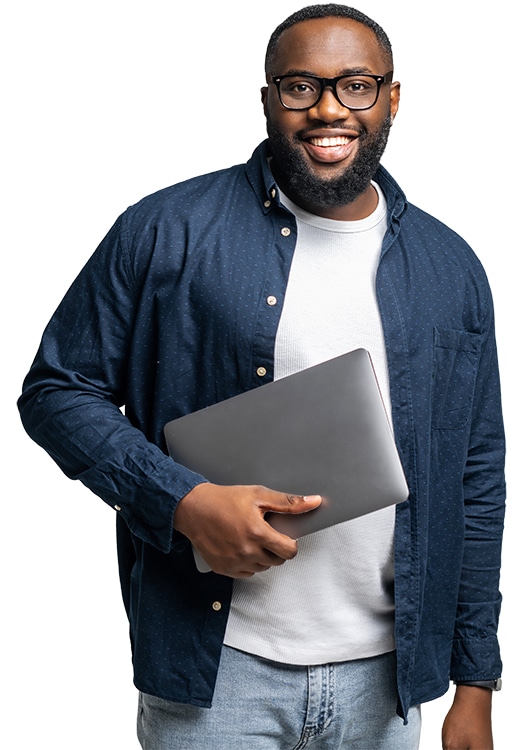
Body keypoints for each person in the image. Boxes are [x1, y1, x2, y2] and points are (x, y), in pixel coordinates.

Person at [18, 4, 505, 749]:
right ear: (268, 100)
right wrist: (182, 501)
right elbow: (57, 389)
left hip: (388, 684)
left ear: (392, 99)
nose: (328, 110)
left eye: (357, 86)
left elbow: (475, 475)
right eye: (300, 87)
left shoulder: (451, 268)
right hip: (218, 678)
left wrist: (474, 681)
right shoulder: (165, 229)